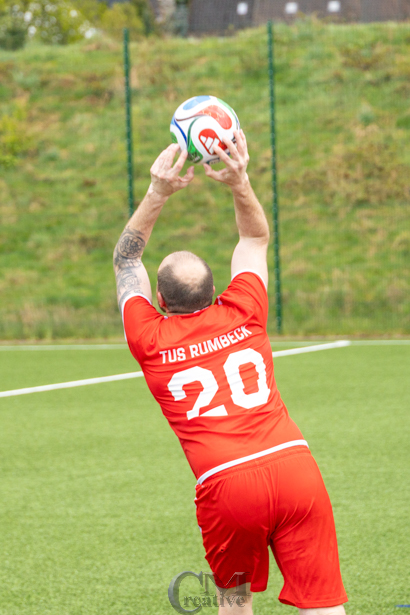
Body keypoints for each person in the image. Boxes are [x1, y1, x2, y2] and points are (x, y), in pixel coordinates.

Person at [113, 130, 348, 615]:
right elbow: (254, 238)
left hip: (228, 485)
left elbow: (127, 259)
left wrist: (158, 191)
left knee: (235, 603)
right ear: (217, 288)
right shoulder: (244, 308)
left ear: (160, 301)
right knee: (323, 606)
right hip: (295, 466)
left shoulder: (149, 338)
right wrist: (239, 181)